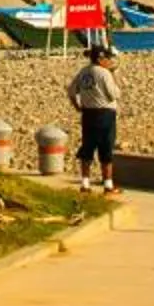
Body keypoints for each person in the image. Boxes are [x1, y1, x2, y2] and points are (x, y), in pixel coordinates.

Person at [67, 44, 121, 194]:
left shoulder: (83, 72)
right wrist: (113, 76)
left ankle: (85, 184)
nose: (109, 60)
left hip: (88, 114)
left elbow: (71, 91)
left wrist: (77, 106)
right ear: (100, 59)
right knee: (106, 148)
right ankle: (108, 185)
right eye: (107, 58)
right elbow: (114, 94)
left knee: (88, 147)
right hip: (105, 114)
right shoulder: (104, 73)